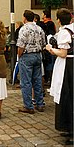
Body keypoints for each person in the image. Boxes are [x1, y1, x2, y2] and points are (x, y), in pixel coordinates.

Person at [46, 8, 73, 146]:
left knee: (66, 95)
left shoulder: (64, 32)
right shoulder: (72, 30)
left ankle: (69, 127)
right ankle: (68, 127)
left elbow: (63, 53)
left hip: (67, 66)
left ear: (58, 20)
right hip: (71, 64)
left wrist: (50, 49)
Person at [17, 10, 46, 114]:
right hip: (38, 55)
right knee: (37, 80)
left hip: (27, 55)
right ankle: (40, 104)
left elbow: (21, 45)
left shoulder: (23, 29)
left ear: (24, 18)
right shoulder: (39, 28)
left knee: (26, 81)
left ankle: (28, 106)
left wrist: (19, 55)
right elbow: (43, 43)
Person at [41, 9, 56, 83]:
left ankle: (49, 78)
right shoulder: (50, 23)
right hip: (49, 45)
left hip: (49, 46)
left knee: (49, 63)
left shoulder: (49, 23)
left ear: (45, 15)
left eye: (43, 14)